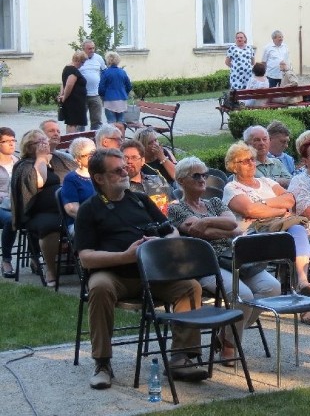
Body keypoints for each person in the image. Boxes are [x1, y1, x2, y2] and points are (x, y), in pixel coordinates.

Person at [75, 148, 208, 390]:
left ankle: (180, 357)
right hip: (115, 275)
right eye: (117, 170)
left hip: (154, 274)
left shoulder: (140, 199)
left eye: (124, 167)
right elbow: (86, 257)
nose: (125, 172)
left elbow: (172, 231)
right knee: (100, 287)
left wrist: (162, 243)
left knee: (190, 287)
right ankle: (102, 363)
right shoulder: (89, 209)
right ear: (99, 178)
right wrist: (125, 255)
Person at [168, 156, 280, 365]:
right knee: (242, 294)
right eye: (196, 175)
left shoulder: (215, 202)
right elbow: (197, 232)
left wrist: (208, 222)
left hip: (234, 258)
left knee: (271, 288)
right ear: (181, 180)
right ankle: (230, 345)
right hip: (206, 264)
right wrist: (223, 229)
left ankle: (226, 335)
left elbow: (233, 226)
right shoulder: (176, 208)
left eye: (205, 174)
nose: (203, 179)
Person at [221, 142, 310, 325]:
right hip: (253, 237)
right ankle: (305, 302)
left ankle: (303, 281)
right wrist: (278, 208)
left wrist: (264, 205)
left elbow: (290, 199)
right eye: (244, 161)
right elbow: (251, 210)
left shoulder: (266, 181)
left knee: (297, 230)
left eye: (252, 159)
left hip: (280, 230)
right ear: (233, 166)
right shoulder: (232, 188)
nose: (251, 163)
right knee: (292, 237)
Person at [9, 130, 64, 286]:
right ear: (29, 147)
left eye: (44, 141)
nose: (43, 145)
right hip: (35, 213)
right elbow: (38, 183)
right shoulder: (24, 165)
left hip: (60, 209)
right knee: (51, 226)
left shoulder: (51, 161)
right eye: (39, 143)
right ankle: (50, 269)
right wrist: (40, 158)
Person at [59, 137, 97, 227]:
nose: (95, 156)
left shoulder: (100, 174)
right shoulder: (71, 179)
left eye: (95, 153)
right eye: (90, 154)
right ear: (78, 159)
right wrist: (94, 219)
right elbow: (71, 209)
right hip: (81, 224)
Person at [0, 127, 19, 278]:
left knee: (33, 214)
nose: (11, 144)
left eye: (13, 140)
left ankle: (34, 258)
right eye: (6, 141)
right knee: (11, 220)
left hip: (17, 203)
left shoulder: (18, 161)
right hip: (1, 205)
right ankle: (6, 260)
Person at [97, 52, 132, 124]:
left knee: (111, 123)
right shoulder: (122, 72)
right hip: (122, 100)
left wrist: (104, 96)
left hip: (109, 100)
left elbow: (101, 89)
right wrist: (124, 93)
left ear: (107, 61)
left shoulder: (105, 73)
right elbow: (129, 86)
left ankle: (113, 135)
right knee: (121, 122)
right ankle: (121, 135)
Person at [59, 50, 89, 133]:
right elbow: (69, 85)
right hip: (74, 101)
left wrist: (61, 94)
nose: (82, 64)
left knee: (71, 122)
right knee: (73, 123)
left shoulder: (67, 68)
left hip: (73, 100)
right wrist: (64, 97)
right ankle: (71, 140)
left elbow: (63, 83)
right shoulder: (73, 71)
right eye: (82, 62)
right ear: (78, 60)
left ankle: (70, 140)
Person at [79, 40, 106, 131]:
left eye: (93, 48)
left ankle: (95, 140)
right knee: (80, 120)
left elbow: (104, 72)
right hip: (82, 95)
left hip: (96, 94)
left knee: (97, 120)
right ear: (84, 49)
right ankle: (80, 141)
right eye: (89, 48)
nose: (92, 50)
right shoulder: (79, 59)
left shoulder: (99, 58)